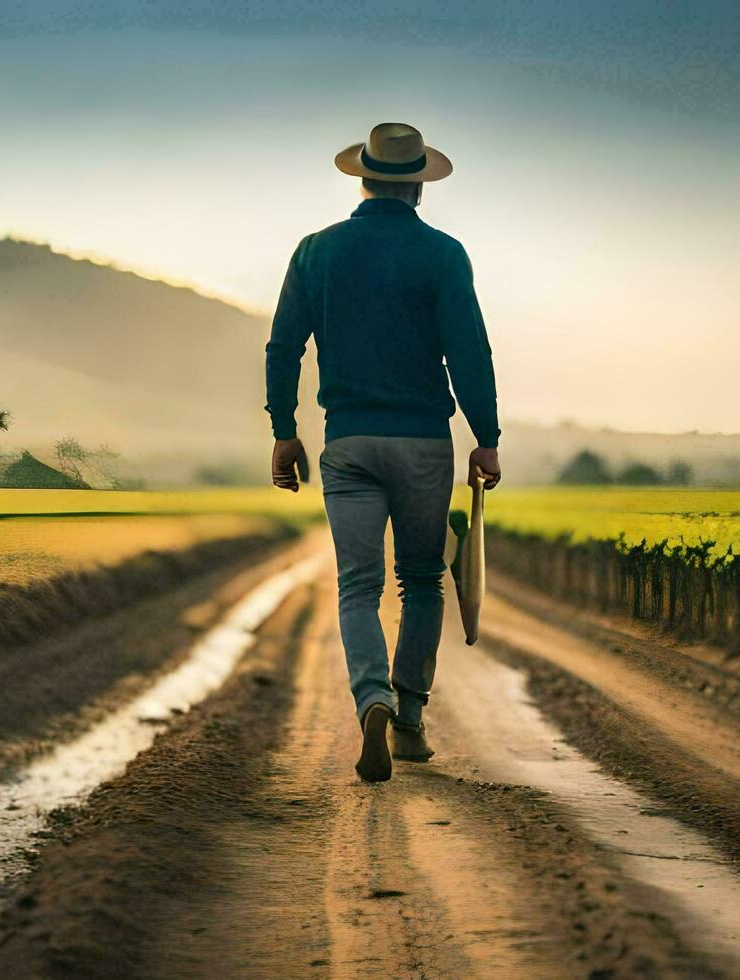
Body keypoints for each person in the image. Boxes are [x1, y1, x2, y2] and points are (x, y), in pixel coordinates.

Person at [265, 122, 501, 783]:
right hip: (425, 443)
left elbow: (284, 348)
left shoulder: (316, 251)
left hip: (349, 443)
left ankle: (370, 697)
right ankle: (409, 719)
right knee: (422, 581)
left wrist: (284, 430)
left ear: (363, 179)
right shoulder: (445, 255)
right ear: (418, 188)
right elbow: (469, 352)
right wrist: (487, 438)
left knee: (358, 587)